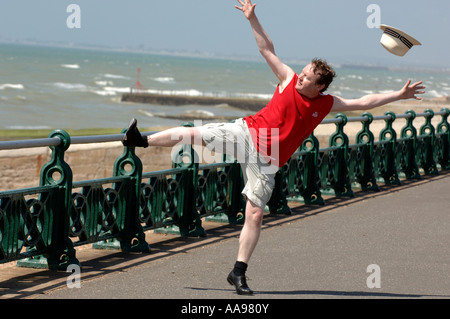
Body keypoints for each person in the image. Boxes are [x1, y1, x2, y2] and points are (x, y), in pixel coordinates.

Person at [122, 0, 426, 295]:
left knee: (254, 215)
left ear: (320, 86)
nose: (302, 75)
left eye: (308, 75)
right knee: (195, 133)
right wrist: (252, 18)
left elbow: (364, 102)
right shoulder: (287, 78)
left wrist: (399, 95)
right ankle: (142, 140)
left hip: (268, 160)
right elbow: (266, 48)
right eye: (304, 70)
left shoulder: (326, 104)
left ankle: (238, 272)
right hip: (247, 133)